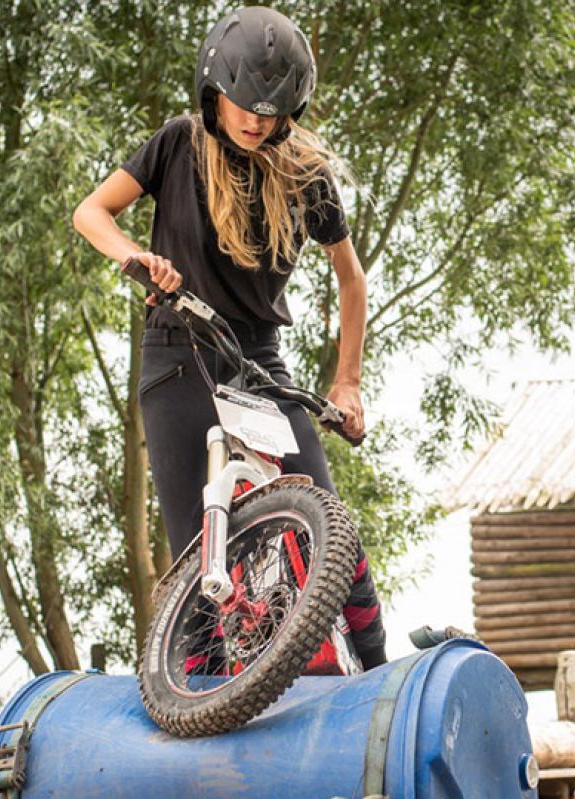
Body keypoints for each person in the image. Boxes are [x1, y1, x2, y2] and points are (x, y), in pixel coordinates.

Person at [72, 6, 386, 668]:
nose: (255, 120)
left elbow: (351, 281)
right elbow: (90, 212)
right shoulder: (176, 143)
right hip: (175, 352)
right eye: (243, 103)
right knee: (194, 552)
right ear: (213, 91)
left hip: (256, 363)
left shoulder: (305, 173)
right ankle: (200, 693)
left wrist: (348, 381)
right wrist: (135, 257)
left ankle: (382, 673)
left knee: (333, 528)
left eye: (272, 111)